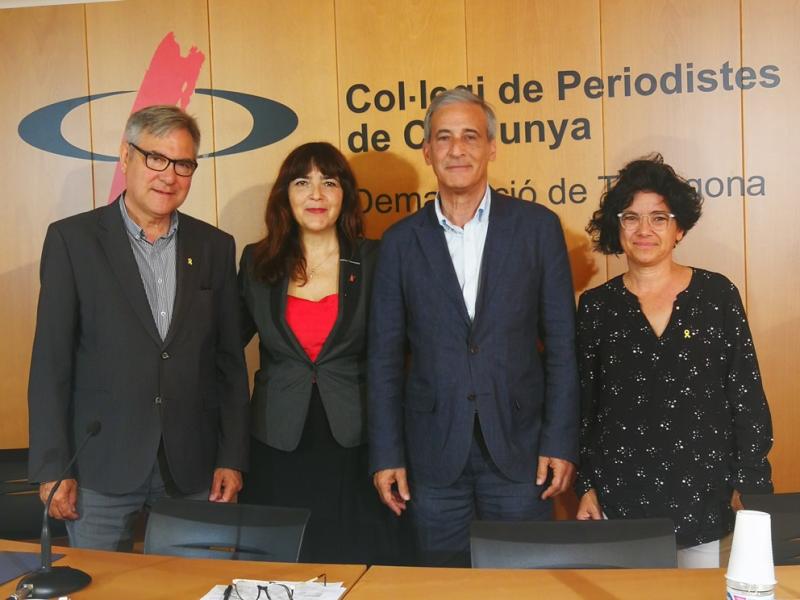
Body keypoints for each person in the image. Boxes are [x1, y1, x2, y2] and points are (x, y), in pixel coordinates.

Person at [368, 88, 580, 567]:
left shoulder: (538, 228)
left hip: (521, 451)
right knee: (441, 586)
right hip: (432, 456)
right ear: (427, 150)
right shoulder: (399, 243)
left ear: (491, 147)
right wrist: (386, 453)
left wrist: (559, 441)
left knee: (523, 586)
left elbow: (563, 347)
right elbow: (383, 360)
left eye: (470, 136)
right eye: (444, 138)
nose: (457, 149)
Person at [27, 105, 250, 551]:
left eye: (183, 164)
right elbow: (51, 365)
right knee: (100, 584)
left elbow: (229, 363)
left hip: (193, 466)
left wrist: (232, 457)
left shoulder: (215, 247)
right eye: (156, 158)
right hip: (99, 468)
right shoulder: (73, 241)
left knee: (194, 584)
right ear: (126, 156)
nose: (169, 175)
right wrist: (53, 466)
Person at [575, 154, 773, 568]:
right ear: (617, 228)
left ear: (679, 228)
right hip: (620, 501)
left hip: (708, 498)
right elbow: (583, 406)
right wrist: (585, 483)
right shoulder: (596, 308)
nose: (644, 230)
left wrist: (751, 481)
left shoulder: (716, 296)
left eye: (659, 218)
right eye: (631, 218)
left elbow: (747, 396)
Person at [238, 142, 393, 564]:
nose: (317, 195)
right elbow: (224, 349)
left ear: (346, 194)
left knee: (354, 557)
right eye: (302, 183)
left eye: (329, 182)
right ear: (285, 195)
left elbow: (398, 353)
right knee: (283, 563)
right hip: (277, 439)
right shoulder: (257, 262)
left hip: (355, 439)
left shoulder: (375, 259)